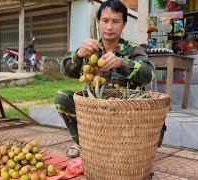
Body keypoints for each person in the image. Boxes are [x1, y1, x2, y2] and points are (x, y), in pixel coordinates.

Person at [55, 0, 166, 158]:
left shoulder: (133, 50)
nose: (109, 27)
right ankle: (85, 143)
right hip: (95, 114)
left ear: (124, 24)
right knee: (62, 97)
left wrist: (122, 63)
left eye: (115, 21)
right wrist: (78, 54)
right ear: (98, 22)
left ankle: (122, 145)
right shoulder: (90, 49)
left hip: (124, 116)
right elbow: (65, 70)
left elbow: (148, 75)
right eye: (105, 20)